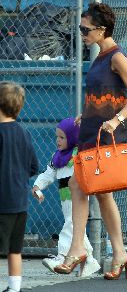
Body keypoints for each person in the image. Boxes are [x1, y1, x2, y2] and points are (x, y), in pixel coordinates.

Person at [54, 2, 127, 280]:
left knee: (76, 182)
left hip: (107, 135)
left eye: (85, 29)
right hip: (91, 131)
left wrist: (117, 120)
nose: (81, 33)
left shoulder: (117, 57)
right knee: (101, 192)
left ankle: (77, 248)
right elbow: (105, 94)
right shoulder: (100, 56)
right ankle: (119, 253)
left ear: (102, 30)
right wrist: (87, 113)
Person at [32, 118, 100, 277]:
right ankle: (89, 261)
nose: (58, 140)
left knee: (71, 225)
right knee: (77, 229)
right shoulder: (57, 157)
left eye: (62, 137)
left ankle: (62, 257)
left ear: (73, 137)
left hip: (78, 197)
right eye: (57, 137)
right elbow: (48, 174)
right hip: (65, 199)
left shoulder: (79, 153)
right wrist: (37, 186)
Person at [0, 81, 39, 292]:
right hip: (20, 203)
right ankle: (14, 288)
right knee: (15, 250)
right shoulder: (24, 133)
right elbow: (33, 166)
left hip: (2, 203)